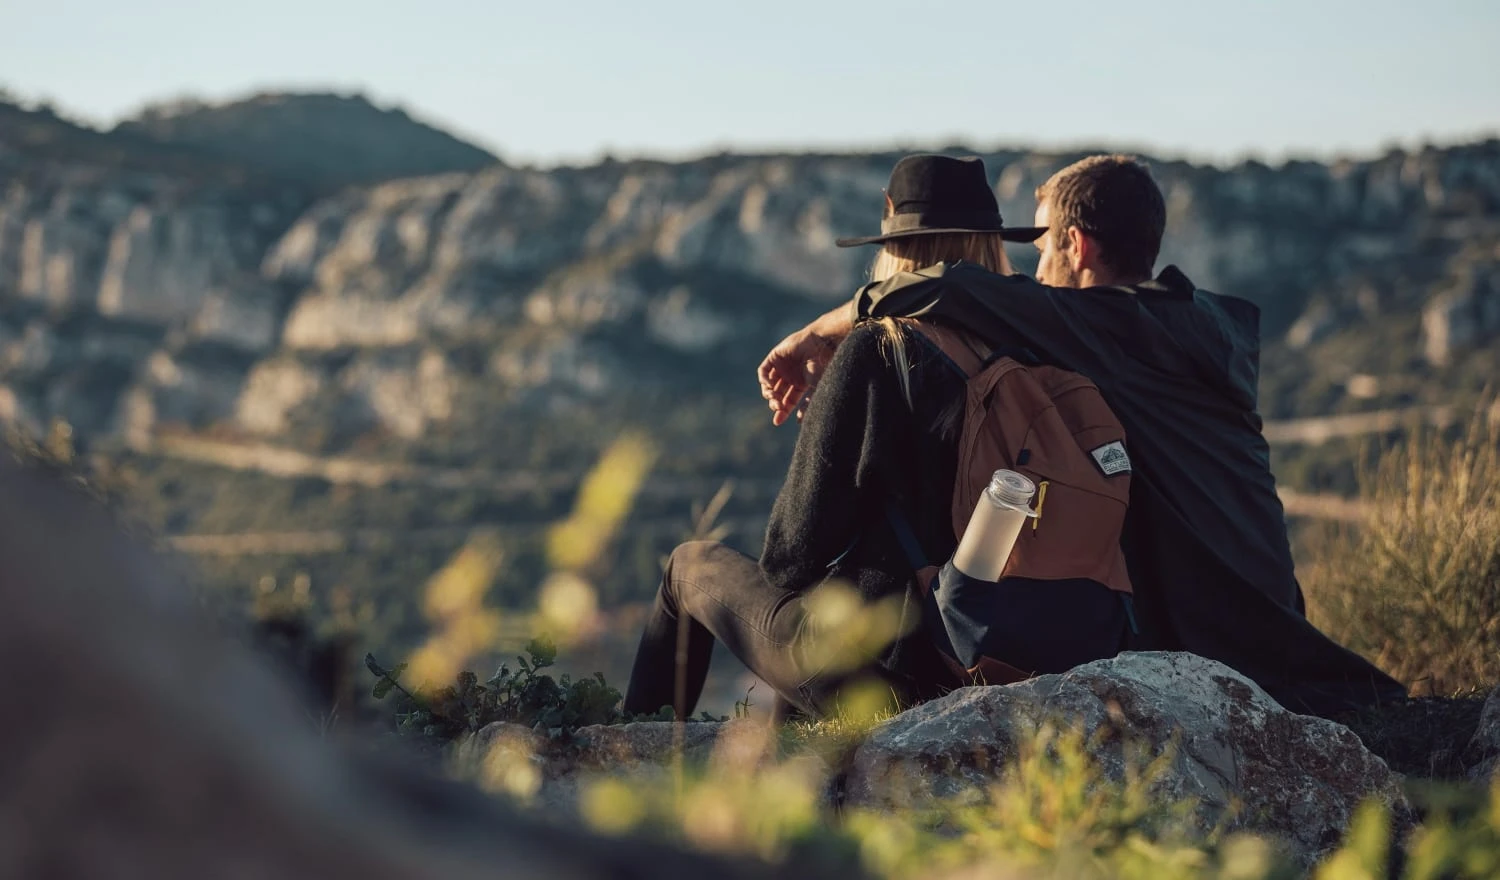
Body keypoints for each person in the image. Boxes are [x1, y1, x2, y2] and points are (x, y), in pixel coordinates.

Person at [760, 155, 1406, 717]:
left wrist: (813, 334)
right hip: (1280, 633)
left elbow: (945, 284)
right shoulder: (1200, 327)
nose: (1032, 272)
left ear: (1078, 246)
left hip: (1201, 644)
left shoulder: (1106, 327)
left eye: (1042, 251)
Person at [624, 155, 1132, 720]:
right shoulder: (1037, 358)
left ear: (893, 237)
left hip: (877, 676)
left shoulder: (880, 349)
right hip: (987, 662)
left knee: (687, 566)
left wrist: (833, 427)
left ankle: (630, 753)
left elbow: (788, 558)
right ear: (992, 244)